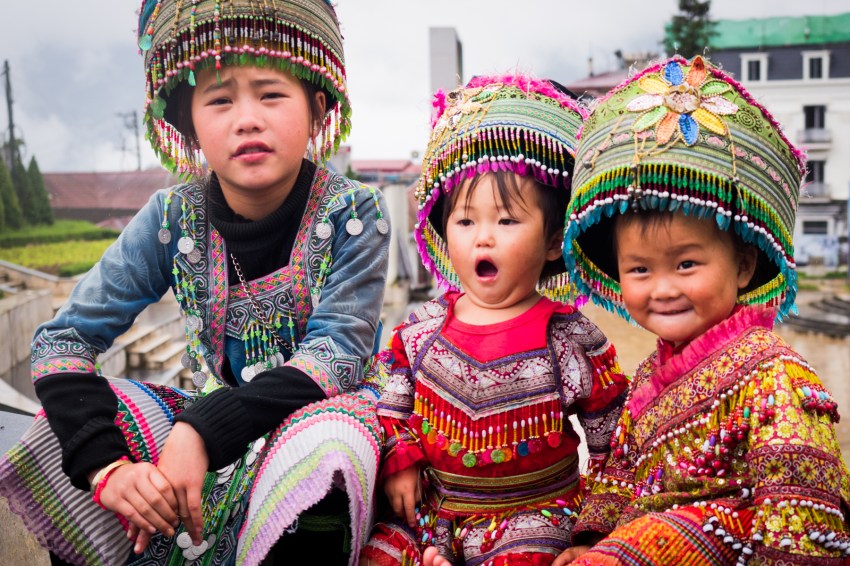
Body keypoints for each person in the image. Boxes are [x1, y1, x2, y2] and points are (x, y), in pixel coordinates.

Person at [0, 1, 390, 564]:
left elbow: (335, 359)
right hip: (202, 419)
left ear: (317, 107)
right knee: (60, 428)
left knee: (330, 444)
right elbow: (62, 344)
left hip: (316, 420)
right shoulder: (169, 218)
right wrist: (108, 467)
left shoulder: (355, 213)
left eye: (271, 93)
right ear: (189, 126)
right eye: (220, 100)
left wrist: (200, 431)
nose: (247, 118)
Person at [553, 55, 850, 565]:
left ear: (742, 265)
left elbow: (802, 515)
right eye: (640, 270)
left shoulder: (774, 376)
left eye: (686, 263)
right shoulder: (650, 372)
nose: (663, 288)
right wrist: (588, 539)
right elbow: (621, 474)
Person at [360, 75, 629, 566]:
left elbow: (614, 443)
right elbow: (390, 399)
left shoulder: (571, 339)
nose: (482, 238)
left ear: (553, 243)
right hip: (434, 512)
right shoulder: (419, 332)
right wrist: (401, 464)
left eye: (506, 221)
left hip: (536, 516)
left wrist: (594, 532)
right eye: (465, 221)